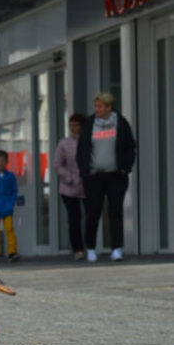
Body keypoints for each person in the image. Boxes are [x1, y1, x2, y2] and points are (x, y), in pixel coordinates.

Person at [77, 91, 135, 262]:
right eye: (96, 106)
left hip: (116, 176)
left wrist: (125, 168)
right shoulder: (89, 123)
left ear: (109, 107)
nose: (97, 109)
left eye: (100, 107)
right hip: (94, 176)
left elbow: (130, 146)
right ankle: (91, 248)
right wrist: (84, 171)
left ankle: (117, 249)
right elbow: (82, 149)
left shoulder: (121, 123)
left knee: (115, 212)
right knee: (93, 212)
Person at [54, 114, 87, 261]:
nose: (73, 128)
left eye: (76, 125)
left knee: (91, 217)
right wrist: (69, 178)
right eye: (71, 125)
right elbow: (57, 164)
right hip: (69, 188)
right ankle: (78, 249)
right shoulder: (64, 143)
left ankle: (91, 246)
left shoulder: (88, 141)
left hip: (87, 186)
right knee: (74, 219)